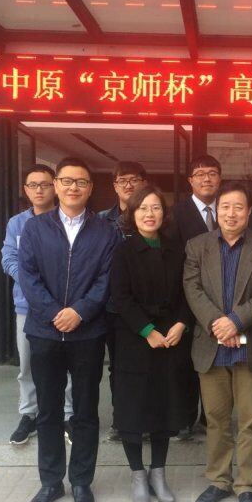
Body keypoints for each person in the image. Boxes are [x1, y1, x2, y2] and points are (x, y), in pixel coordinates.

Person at [18, 157, 118, 502]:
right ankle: (50, 482)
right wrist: (53, 314)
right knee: (48, 411)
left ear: (90, 189)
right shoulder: (34, 228)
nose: (74, 187)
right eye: (67, 181)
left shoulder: (105, 231)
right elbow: (27, 276)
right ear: (56, 185)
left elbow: (106, 279)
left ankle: (81, 481)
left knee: (86, 411)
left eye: (81, 182)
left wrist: (80, 312)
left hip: (87, 333)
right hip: (44, 333)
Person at [183, 181, 252, 502]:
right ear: (217, 210)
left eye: (238, 207)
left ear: (249, 212)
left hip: (250, 346)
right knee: (216, 418)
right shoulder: (197, 246)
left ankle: (247, 485)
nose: (231, 213)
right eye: (225, 207)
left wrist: (236, 321)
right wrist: (218, 323)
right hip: (211, 345)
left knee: (250, 420)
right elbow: (192, 288)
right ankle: (219, 480)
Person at [109, 185, 191, 502]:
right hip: (135, 340)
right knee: (132, 409)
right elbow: (120, 297)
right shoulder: (123, 251)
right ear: (132, 214)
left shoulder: (177, 249)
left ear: (164, 213)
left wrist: (181, 323)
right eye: (142, 208)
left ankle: (159, 472)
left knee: (163, 408)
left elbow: (188, 293)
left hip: (170, 339)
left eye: (155, 207)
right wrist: (147, 330)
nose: (149, 214)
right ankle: (138, 474)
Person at [2, 165, 74, 446]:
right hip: (28, 306)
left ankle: (67, 414)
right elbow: (9, 258)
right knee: (27, 364)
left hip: (63, 308)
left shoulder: (66, 220)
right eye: (33, 185)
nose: (39, 190)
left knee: (66, 363)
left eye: (44, 184)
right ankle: (29, 413)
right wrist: (33, 283)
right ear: (26, 190)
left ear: (55, 186)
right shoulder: (16, 224)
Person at [168, 154, 223, 439]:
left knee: (215, 362)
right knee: (186, 363)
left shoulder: (228, 209)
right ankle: (185, 418)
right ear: (190, 180)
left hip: (222, 302)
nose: (206, 179)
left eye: (212, 173)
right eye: (200, 174)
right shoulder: (176, 213)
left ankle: (209, 417)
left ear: (219, 179)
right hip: (186, 300)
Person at [99, 160, 147, 442]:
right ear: (114, 186)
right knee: (118, 367)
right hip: (113, 308)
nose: (128, 185)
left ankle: (147, 419)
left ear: (143, 183)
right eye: (122, 180)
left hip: (149, 307)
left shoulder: (154, 215)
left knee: (148, 366)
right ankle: (122, 420)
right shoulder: (101, 220)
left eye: (134, 179)